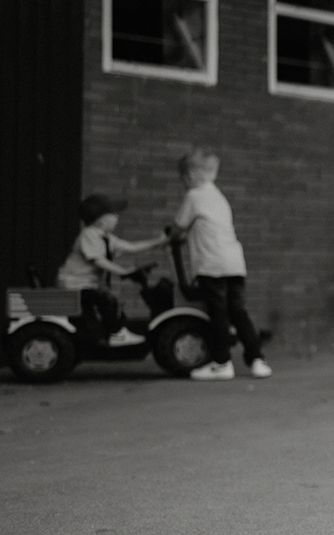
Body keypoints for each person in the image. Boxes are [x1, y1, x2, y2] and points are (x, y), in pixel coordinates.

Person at [172, 150, 271, 381]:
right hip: (234, 263)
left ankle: (221, 362)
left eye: (184, 176)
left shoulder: (194, 196)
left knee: (218, 314)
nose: (183, 182)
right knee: (238, 312)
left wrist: (172, 236)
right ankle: (257, 360)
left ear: (192, 175)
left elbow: (178, 227)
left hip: (211, 264)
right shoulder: (219, 197)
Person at [56, 193, 161, 347]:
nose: (117, 218)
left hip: (84, 285)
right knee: (106, 300)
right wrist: (123, 271)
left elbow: (131, 247)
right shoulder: (89, 235)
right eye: (114, 215)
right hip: (73, 285)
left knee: (96, 310)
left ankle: (102, 336)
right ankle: (116, 334)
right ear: (102, 220)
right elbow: (98, 260)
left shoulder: (107, 238)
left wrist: (160, 241)